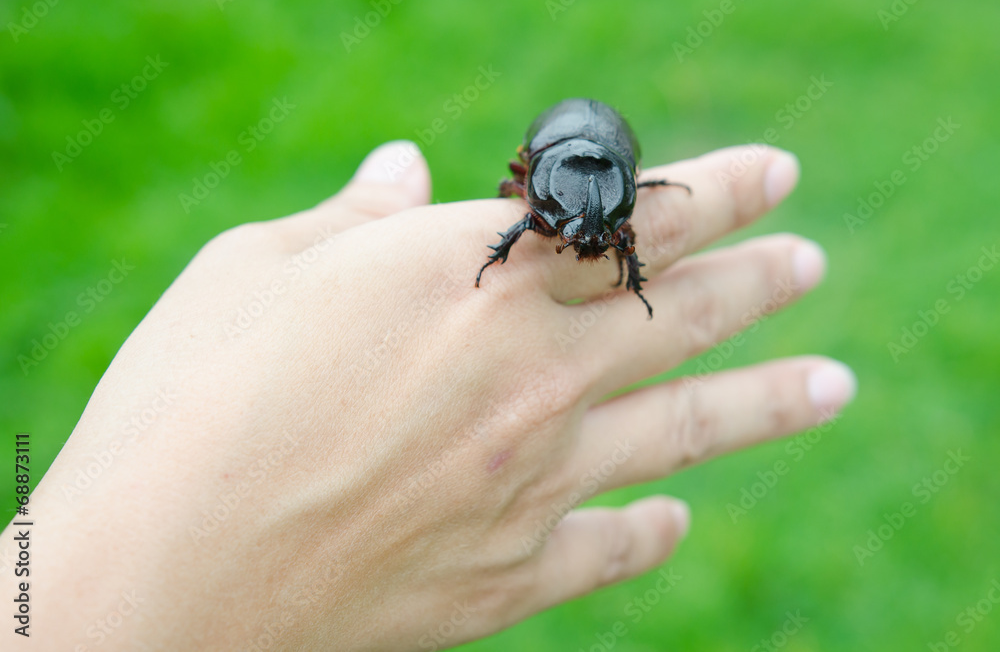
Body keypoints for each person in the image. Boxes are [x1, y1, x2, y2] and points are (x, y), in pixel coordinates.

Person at [2, 140, 855, 651]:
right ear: (533, 180)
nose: (582, 236)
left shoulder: (604, 197)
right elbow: (530, 216)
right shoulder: (538, 199)